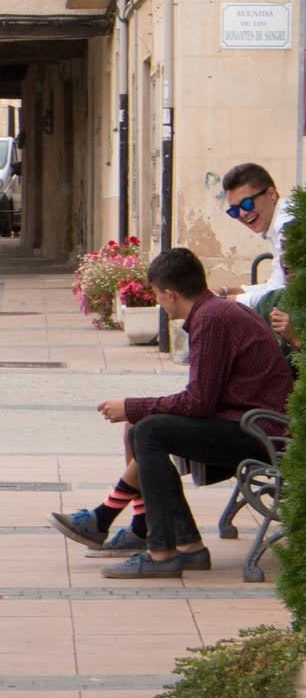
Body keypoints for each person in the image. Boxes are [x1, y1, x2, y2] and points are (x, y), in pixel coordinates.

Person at [48, 248, 293, 579]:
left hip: (260, 432)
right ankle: (186, 546)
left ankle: (160, 551)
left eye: (157, 296)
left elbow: (198, 402)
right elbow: (203, 399)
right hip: (250, 423)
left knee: (149, 430)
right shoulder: (214, 312)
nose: (159, 303)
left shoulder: (212, 320)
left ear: (170, 293)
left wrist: (132, 405)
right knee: (142, 428)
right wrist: (137, 410)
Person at [216, 163, 291, 307]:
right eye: (234, 211)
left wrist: (223, 302)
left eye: (247, 203)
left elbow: (280, 296)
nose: (243, 214)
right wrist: (228, 292)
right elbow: (274, 286)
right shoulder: (278, 227)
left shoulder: (287, 227)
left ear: (271, 195)